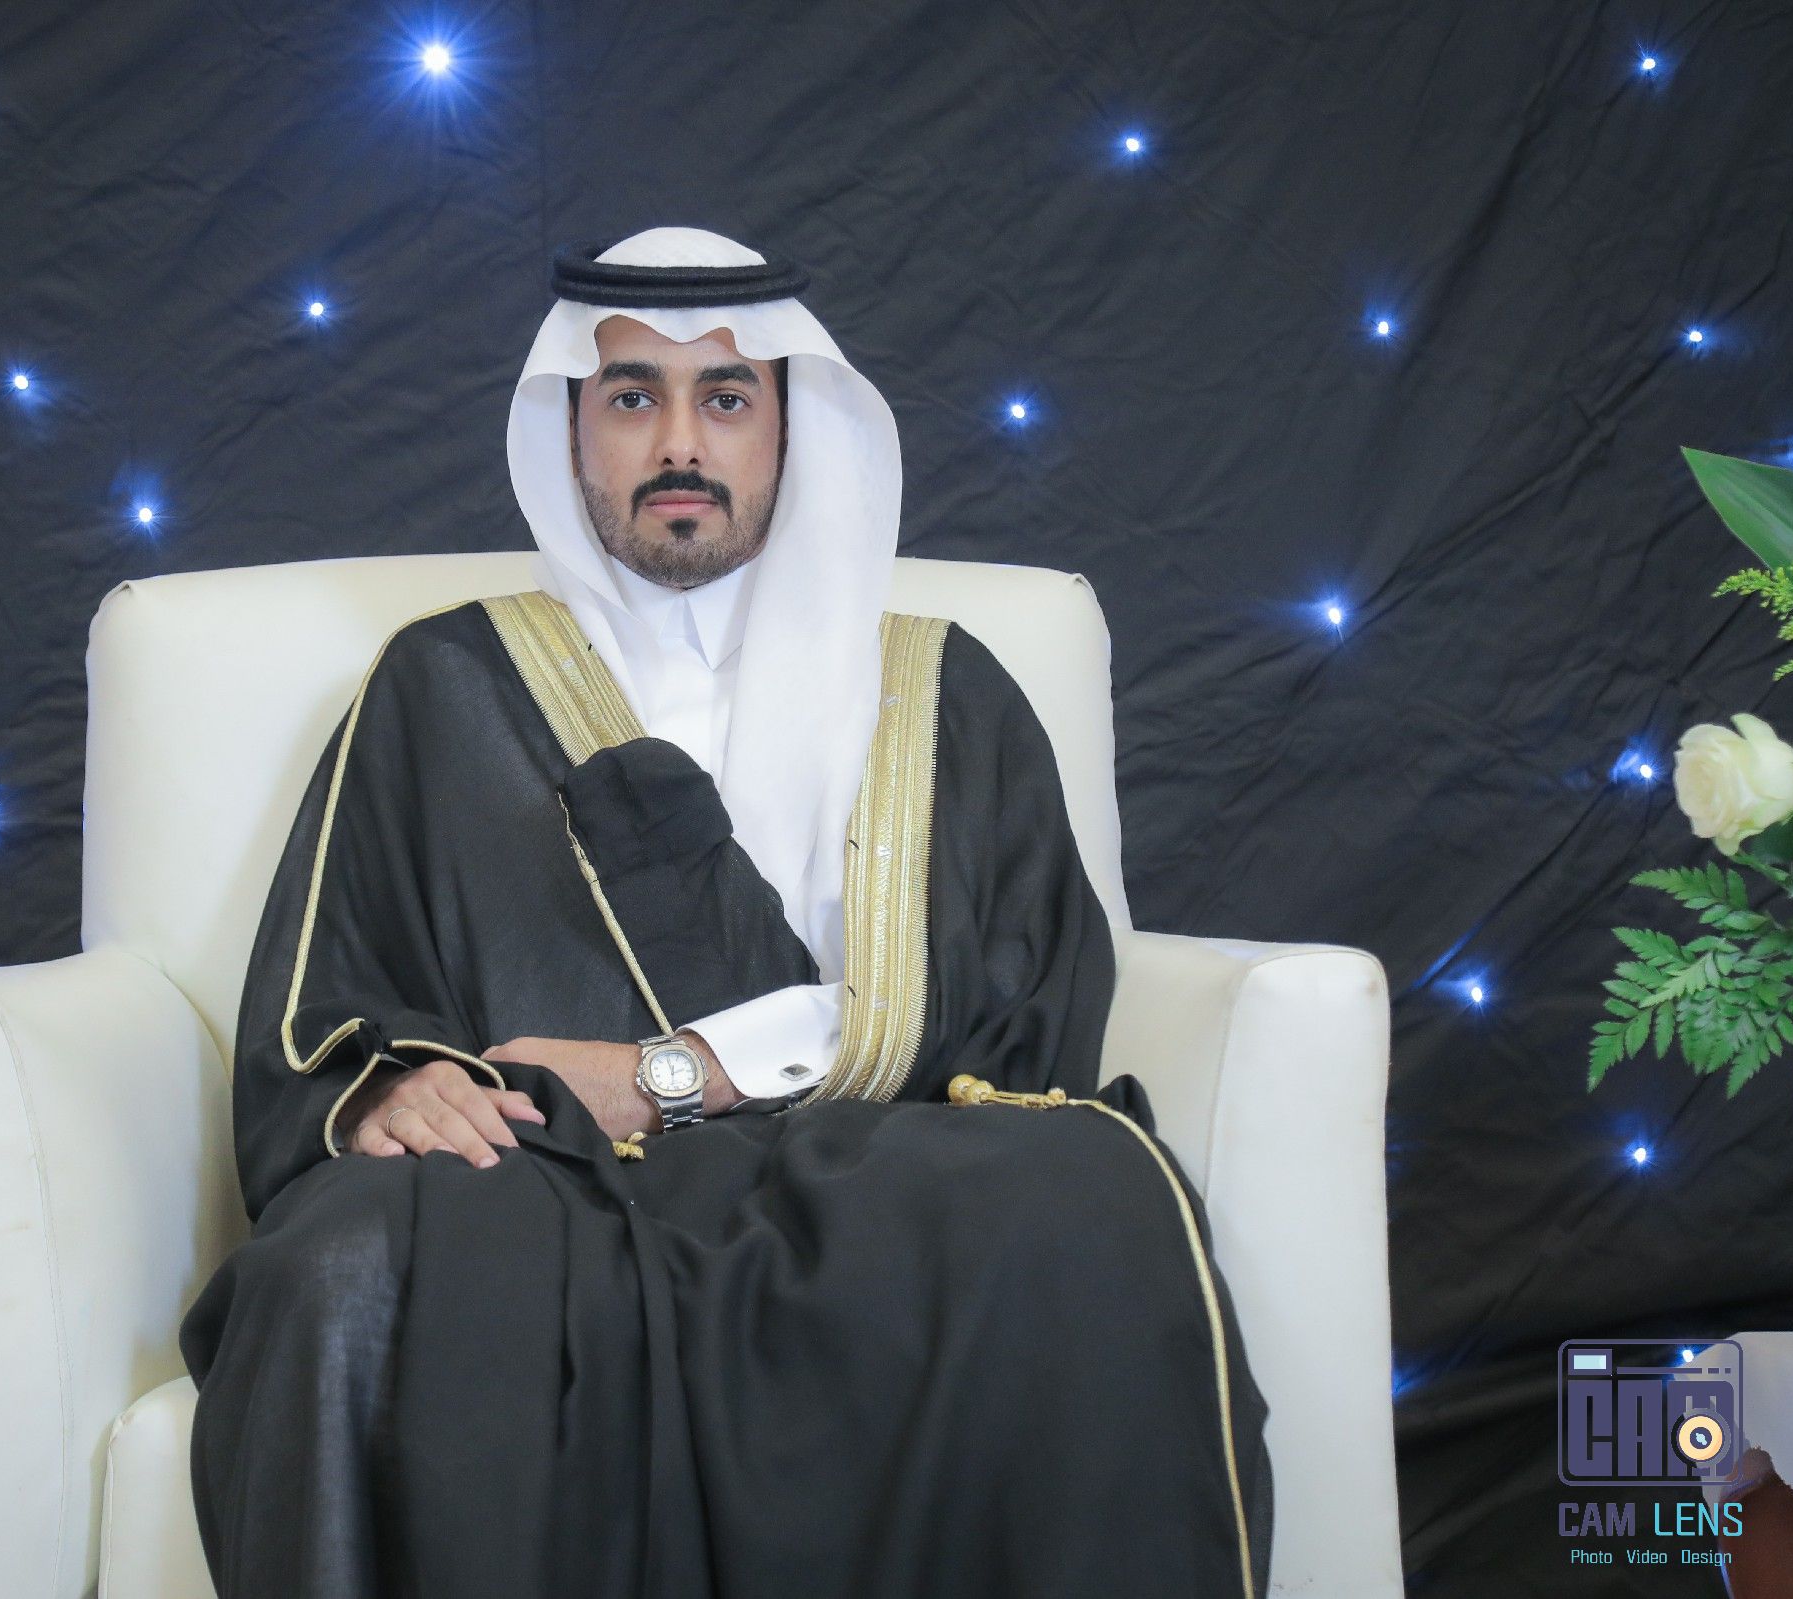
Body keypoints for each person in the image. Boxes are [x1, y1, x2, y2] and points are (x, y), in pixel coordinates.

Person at [179, 225, 1275, 1598]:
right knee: (331, 1268)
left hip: (883, 1172)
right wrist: (392, 1090)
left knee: (1094, 1200)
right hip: (553, 1186)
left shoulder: (945, 690)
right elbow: (328, 998)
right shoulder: (443, 682)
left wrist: (673, 1074)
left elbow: (1025, 1007)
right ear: (571, 428)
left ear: (790, 427)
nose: (680, 443)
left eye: (728, 397)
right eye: (634, 396)